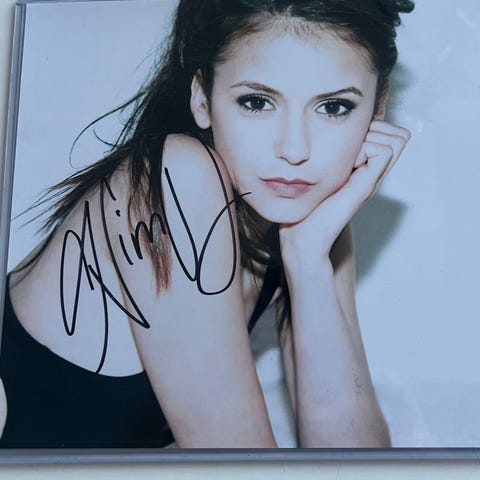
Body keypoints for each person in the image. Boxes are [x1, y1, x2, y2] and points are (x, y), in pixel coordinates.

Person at [0, 0, 414, 448]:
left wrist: (308, 260)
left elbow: (356, 462)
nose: (295, 150)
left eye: (333, 108)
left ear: (377, 109)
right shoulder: (177, 178)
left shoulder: (307, 221)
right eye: (257, 102)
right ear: (202, 99)